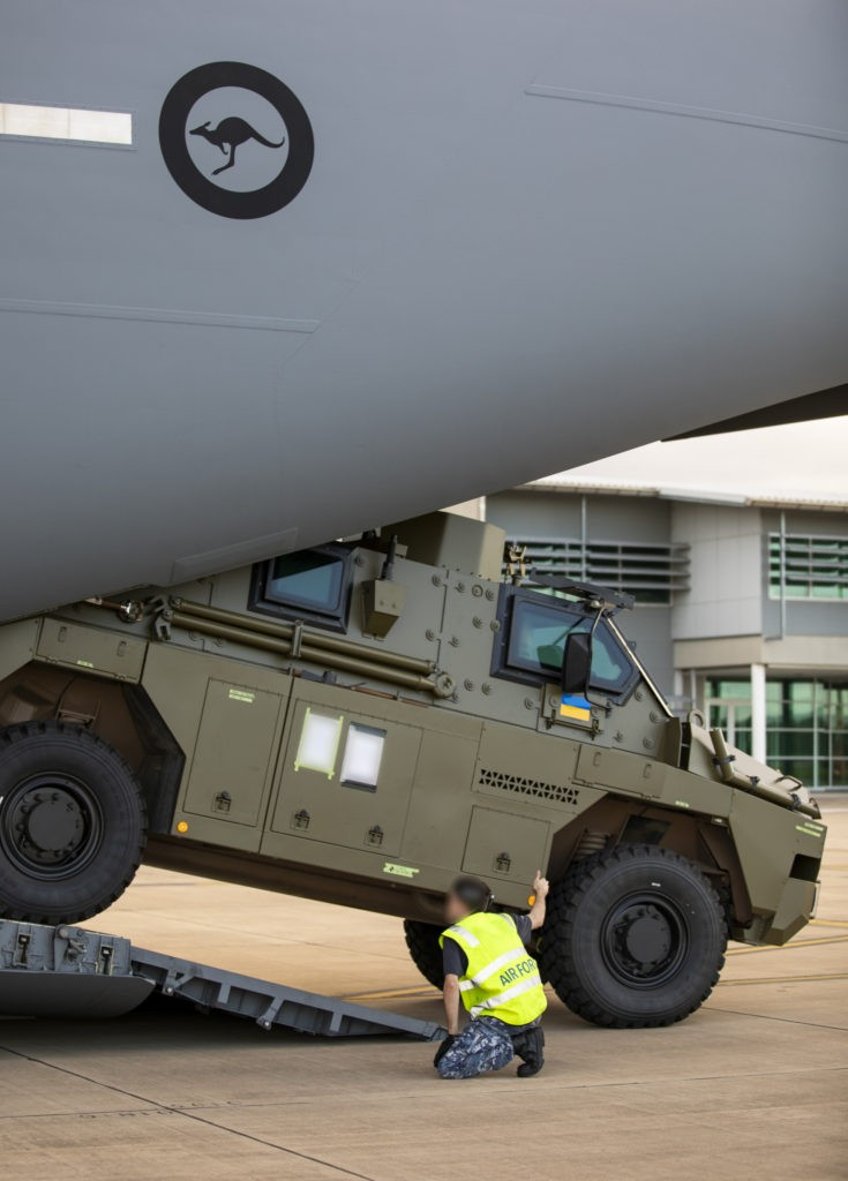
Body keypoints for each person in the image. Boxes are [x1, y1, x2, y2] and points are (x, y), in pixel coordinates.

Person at [433, 870, 549, 1080]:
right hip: (533, 1009)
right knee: (447, 1058)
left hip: (504, 1018)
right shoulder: (504, 921)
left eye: (450, 899)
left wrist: (452, 1035)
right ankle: (525, 1035)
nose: (446, 904)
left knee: (449, 1065)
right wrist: (540, 893)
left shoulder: (456, 936)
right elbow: (537, 918)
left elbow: (451, 986)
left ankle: (520, 1043)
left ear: (460, 904)